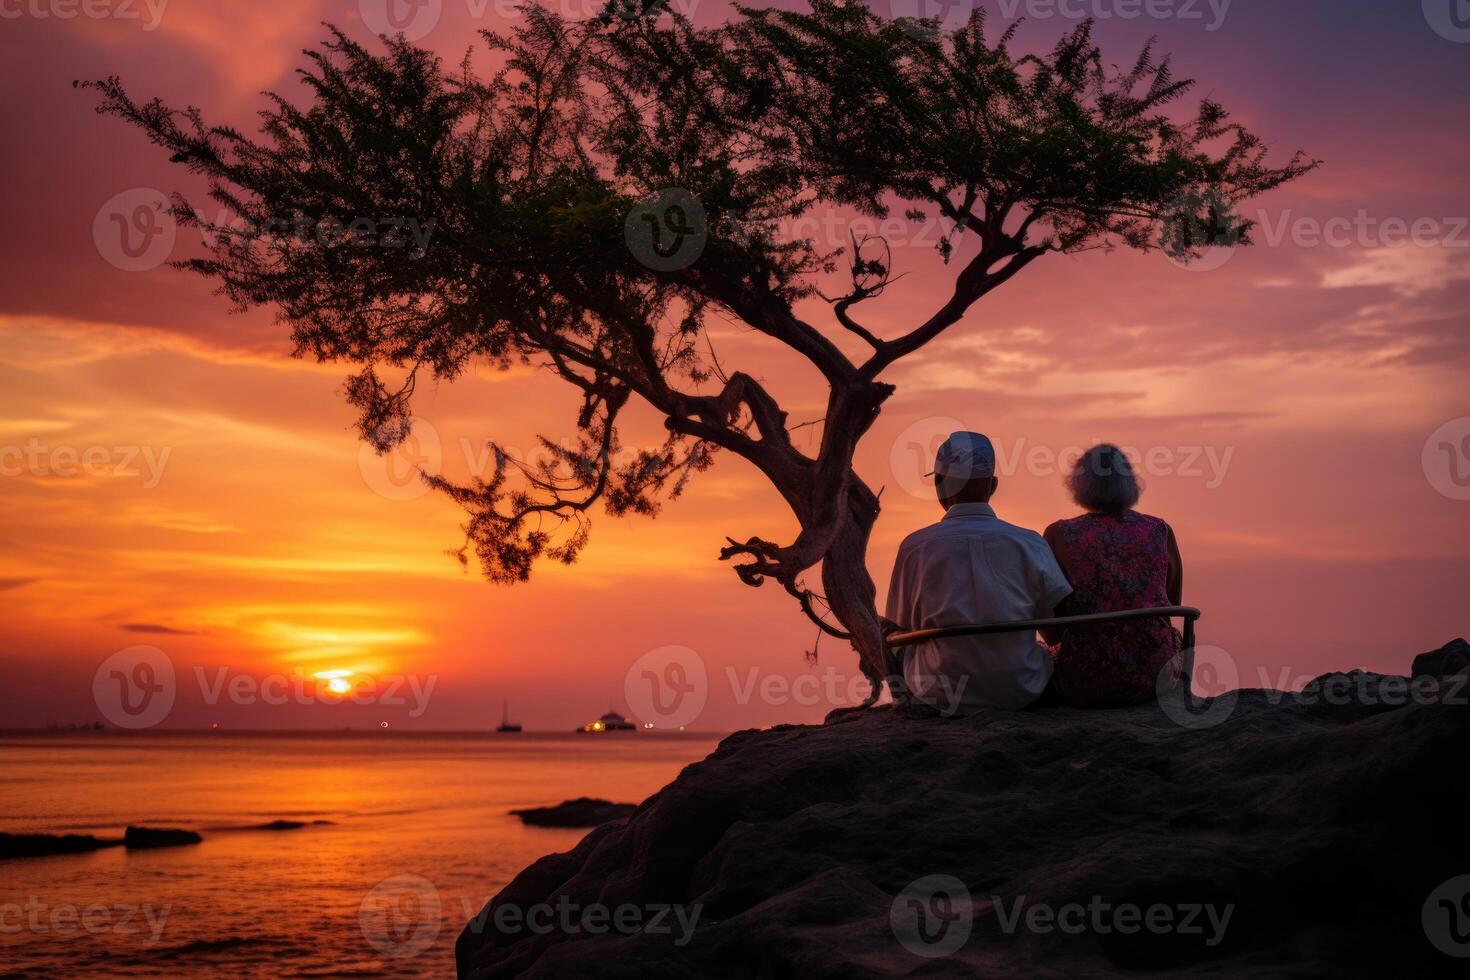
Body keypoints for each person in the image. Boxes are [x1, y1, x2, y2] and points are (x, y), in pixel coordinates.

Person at [883, 432, 1073, 714]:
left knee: (884, 628)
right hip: (1022, 689)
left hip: (941, 694)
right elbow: (1055, 633)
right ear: (993, 485)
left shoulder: (915, 547)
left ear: (939, 485)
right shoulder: (1030, 541)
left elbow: (900, 627)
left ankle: (904, 703)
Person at [1042, 444, 1183, 707]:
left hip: (1085, 680)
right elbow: (1172, 604)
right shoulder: (1159, 530)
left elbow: (1053, 633)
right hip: (1155, 677)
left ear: (1078, 484)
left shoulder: (1059, 535)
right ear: (1130, 483)